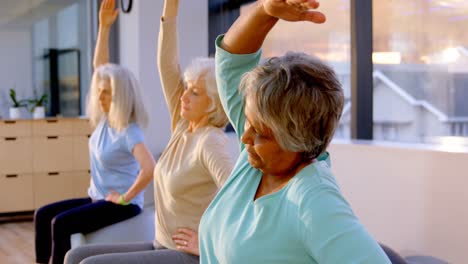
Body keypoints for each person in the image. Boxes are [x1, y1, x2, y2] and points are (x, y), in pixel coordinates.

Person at [198, 0, 392, 263]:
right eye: (247, 121)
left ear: (297, 140)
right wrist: (264, 11)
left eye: (262, 134)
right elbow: (232, 59)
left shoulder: (312, 199)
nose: (245, 138)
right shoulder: (254, 160)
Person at [64, 0, 234, 263]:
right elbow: (167, 64)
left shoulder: (210, 142)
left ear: (212, 103)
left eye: (195, 92)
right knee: (76, 255)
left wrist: (208, 242)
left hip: (186, 255)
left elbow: (239, 195)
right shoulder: (182, 125)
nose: (184, 95)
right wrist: (171, 6)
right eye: (186, 87)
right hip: (160, 244)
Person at [34, 0, 156, 263]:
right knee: (43, 215)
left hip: (121, 206)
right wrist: (103, 28)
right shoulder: (105, 120)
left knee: (61, 224)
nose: (99, 96)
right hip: (97, 198)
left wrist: (125, 197)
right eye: (99, 91)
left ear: (120, 96)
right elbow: (100, 68)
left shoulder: (128, 130)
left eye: (105, 93)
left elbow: (150, 168)